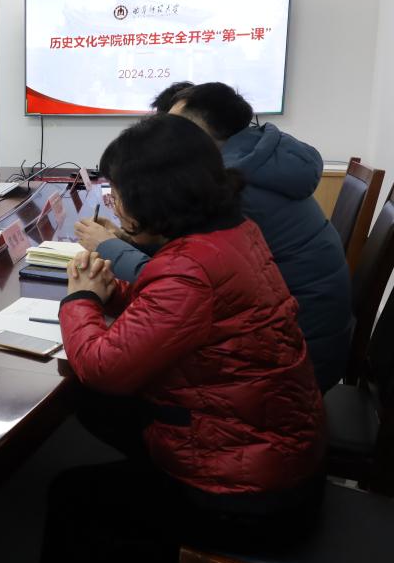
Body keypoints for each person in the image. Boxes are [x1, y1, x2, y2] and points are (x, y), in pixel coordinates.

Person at [42, 114, 325, 563]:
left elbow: (102, 367)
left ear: (154, 198)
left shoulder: (189, 268)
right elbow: (181, 312)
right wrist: (115, 292)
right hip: (276, 452)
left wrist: (81, 299)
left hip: (250, 497)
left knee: (73, 493)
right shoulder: (232, 233)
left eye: (118, 193)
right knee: (100, 411)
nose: (114, 203)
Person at [76, 82, 352, 391]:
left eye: (174, 130)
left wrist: (106, 253)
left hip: (293, 364)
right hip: (296, 345)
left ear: (202, 137)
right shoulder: (258, 165)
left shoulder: (235, 191)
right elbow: (188, 265)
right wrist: (130, 239)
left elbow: (184, 280)